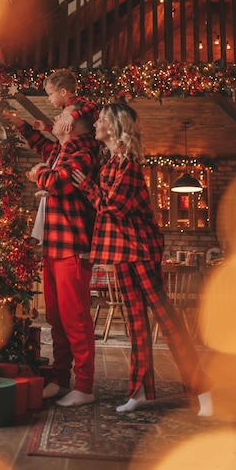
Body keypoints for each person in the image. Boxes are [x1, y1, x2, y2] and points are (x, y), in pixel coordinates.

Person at [72, 102, 214, 416]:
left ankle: (201, 388)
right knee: (136, 323)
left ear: (115, 126)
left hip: (142, 250)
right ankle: (140, 391)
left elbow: (114, 208)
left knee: (167, 320)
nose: (96, 123)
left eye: (102, 120)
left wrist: (84, 184)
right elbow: (106, 207)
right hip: (120, 251)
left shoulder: (129, 165)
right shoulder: (110, 163)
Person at [4, 103, 101, 407]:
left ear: (71, 125)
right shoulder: (63, 150)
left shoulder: (84, 151)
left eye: (60, 117)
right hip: (54, 245)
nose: (56, 119)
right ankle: (60, 379)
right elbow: (46, 149)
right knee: (56, 317)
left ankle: (84, 386)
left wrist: (38, 173)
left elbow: (58, 181)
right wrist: (23, 127)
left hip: (73, 246)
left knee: (75, 319)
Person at [33, 68, 98, 134]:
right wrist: (46, 127)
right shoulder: (68, 106)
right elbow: (64, 128)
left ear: (63, 92)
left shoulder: (77, 102)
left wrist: (73, 116)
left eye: (51, 94)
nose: (49, 98)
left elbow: (92, 106)